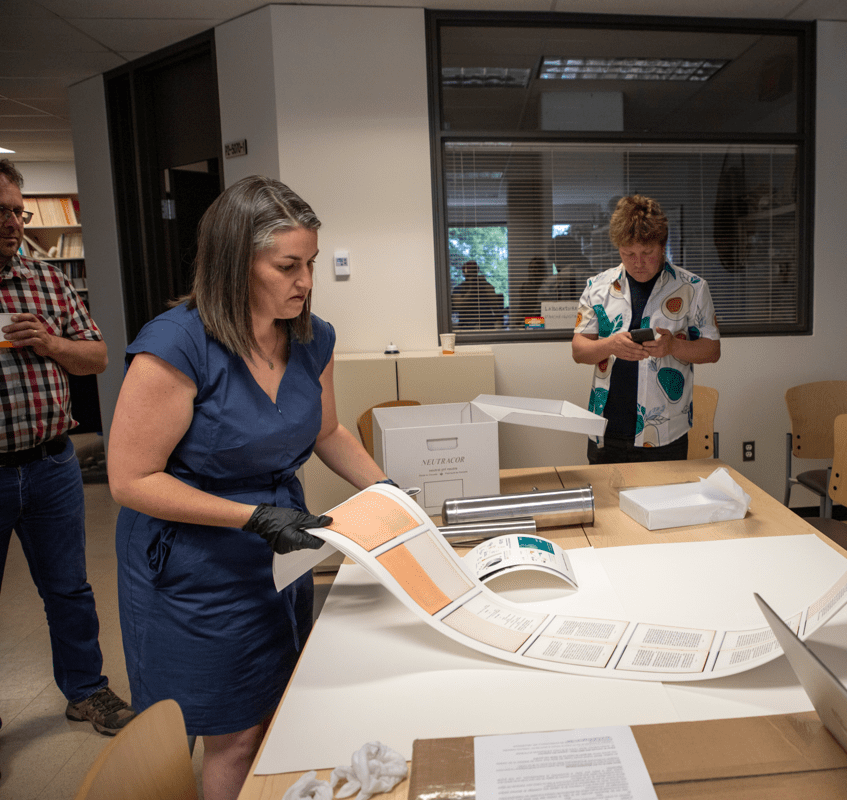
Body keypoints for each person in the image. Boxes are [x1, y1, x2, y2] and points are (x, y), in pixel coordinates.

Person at [107, 176, 394, 800]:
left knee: (273, 708)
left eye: (311, 263)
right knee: (230, 732)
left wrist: (387, 491)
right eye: (288, 266)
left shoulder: (311, 336)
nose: (306, 281)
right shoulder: (177, 345)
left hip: (279, 547)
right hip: (194, 559)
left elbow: (327, 430)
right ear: (236, 262)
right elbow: (130, 480)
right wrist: (252, 517)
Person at [0, 159, 135, 736]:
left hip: (51, 464)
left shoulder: (46, 281)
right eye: (1, 212)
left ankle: (86, 691)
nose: (12, 223)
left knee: (69, 587)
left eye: (18, 212)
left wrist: (51, 343)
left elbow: (98, 356)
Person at [572, 194, 720, 463]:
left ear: (662, 246)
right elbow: (579, 351)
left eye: (647, 253)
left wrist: (673, 346)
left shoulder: (693, 288)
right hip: (605, 430)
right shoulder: (597, 287)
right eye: (628, 254)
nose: (638, 263)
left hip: (664, 434)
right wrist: (610, 345)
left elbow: (712, 350)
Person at [451, 259, 503, 329]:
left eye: (473, 271)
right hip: (467, 327)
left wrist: (484, 284)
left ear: (477, 271)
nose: (471, 274)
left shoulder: (485, 286)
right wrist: (471, 289)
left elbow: (495, 305)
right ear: (464, 273)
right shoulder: (459, 289)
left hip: (486, 326)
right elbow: (458, 306)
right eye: (469, 271)